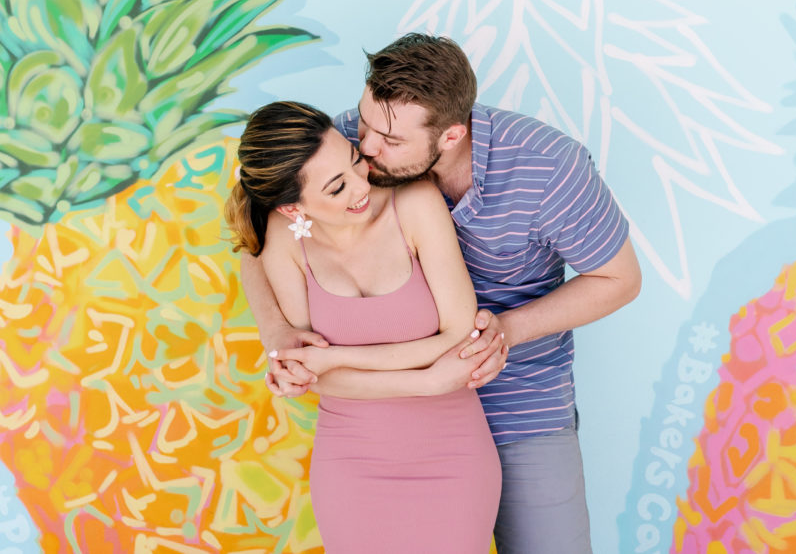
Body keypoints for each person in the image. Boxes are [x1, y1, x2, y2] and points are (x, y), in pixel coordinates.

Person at [242, 34, 642, 554]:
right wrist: (278, 332)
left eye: (387, 140)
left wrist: (501, 333)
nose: (367, 148)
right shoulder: (351, 143)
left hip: (522, 402)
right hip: (392, 412)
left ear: (451, 135)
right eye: (364, 123)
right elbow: (255, 225)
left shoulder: (550, 168)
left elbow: (620, 279)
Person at [224, 101, 503, 553]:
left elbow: (458, 334)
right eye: (337, 188)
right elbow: (316, 378)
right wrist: (427, 380)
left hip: (453, 455)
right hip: (350, 464)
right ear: (293, 209)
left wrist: (336, 358)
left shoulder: (414, 201)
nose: (362, 186)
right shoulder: (283, 241)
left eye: (356, 161)